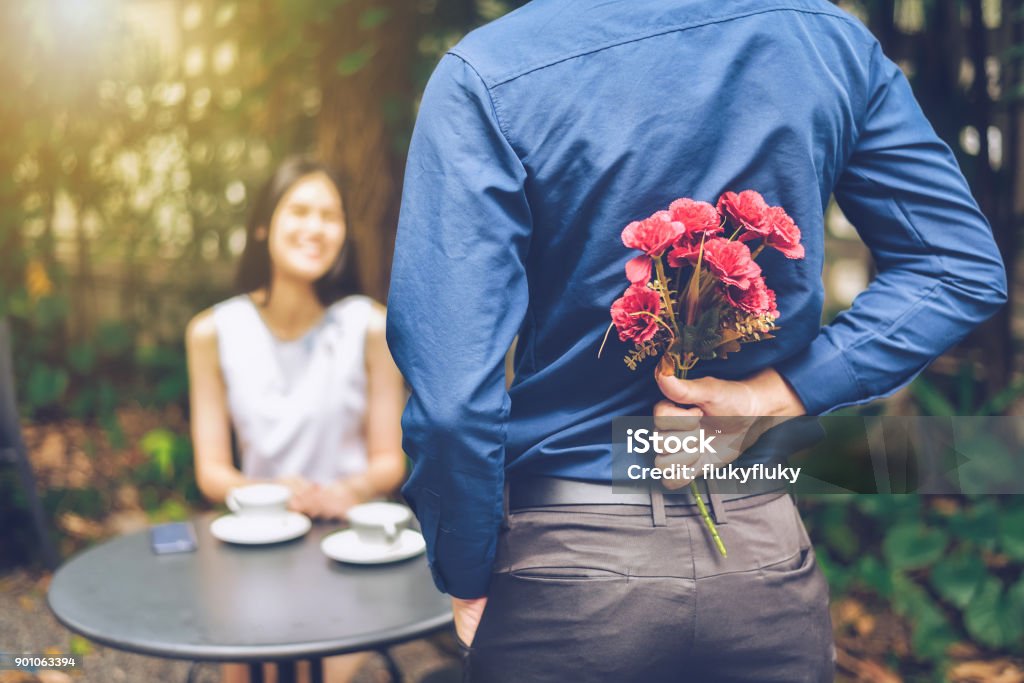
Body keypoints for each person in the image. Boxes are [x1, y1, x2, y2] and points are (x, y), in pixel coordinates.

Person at [385, 1, 1007, 681]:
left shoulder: (490, 72)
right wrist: (776, 396)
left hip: (569, 576)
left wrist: (467, 570)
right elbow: (955, 268)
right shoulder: (827, 40)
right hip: (761, 560)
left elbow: (452, 404)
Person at [186, 156, 406, 683]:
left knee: (322, 671)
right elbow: (212, 472)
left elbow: (389, 461)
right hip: (254, 547)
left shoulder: (370, 326)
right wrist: (266, 491)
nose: (316, 228)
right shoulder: (213, 332)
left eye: (330, 216)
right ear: (264, 225)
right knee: (242, 667)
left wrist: (345, 491)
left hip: (349, 544)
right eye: (300, 211)